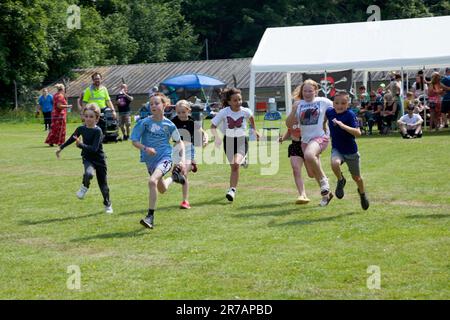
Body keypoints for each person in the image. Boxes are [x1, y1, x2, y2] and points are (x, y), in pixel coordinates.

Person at [130, 92, 186, 229]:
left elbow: (179, 143)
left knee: (152, 181)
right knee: (161, 189)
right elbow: (134, 141)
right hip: (150, 161)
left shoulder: (169, 125)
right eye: (151, 104)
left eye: (156, 103)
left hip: (165, 158)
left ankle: (150, 216)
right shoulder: (144, 123)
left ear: (164, 105)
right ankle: (174, 178)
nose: (153, 106)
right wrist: (145, 148)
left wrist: (182, 160)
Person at [55, 103, 113, 213]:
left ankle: (107, 203)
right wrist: (60, 148)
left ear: (97, 118)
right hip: (87, 158)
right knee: (89, 174)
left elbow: (94, 149)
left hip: (99, 159)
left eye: (91, 116)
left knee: (103, 185)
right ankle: (84, 186)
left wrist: (80, 145)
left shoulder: (98, 131)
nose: (88, 119)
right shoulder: (81, 128)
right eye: (86, 116)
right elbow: (72, 138)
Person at [286, 79, 333, 207]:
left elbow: (338, 111)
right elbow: (289, 125)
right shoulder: (299, 104)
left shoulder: (324, 102)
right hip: (305, 141)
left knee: (308, 155)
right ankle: (326, 195)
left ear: (315, 91)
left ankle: (324, 182)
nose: (307, 93)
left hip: (320, 137)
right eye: (305, 91)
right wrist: (293, 110)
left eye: (310, 91)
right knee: (312, 174)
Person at [210, 87, 260, 202]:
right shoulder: (224, 112)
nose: (238, 102)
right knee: (233, 166)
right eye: (235, 100)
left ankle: (232, 190)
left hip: (242, 140)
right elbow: (212, 126)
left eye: (240, 99)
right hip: (228, 141)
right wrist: (217, 137)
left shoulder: (245, 111)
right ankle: (243, 160)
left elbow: (251, 118)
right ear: (229, 102)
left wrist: (254, 130)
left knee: (236, 163)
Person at [326, 91, 369, 210]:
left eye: (343, 103)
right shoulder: (329, 112)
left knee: (357, 178)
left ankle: (362, 194)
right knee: (334, 163)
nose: (340, 105)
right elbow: (323, 120)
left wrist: (342, 125)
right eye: (337, 103)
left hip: (351, 151)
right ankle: (341, 180)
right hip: (337, 149)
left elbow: (358, 133)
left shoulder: (350, 115)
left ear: (348, 104)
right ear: (333, 103)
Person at [171, 100, 209, 209]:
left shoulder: (192, 122)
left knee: (183, 173)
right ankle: (192, 165)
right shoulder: (173, 122)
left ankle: (185, 201)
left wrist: (205, 140)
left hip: (188, 149)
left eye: (183, 112)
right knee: (175, 173)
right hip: (177, 149)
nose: (181, 115)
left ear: (189, 111)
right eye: (178, 112)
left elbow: (204, 132)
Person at [279, 120, 312, 204]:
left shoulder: (307, 114)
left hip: (308, 145)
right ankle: (302, 195)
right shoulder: (292, 117)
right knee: (296, 169)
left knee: (311, 174)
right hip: (295, 145)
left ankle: (323, 182)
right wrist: (282, 138)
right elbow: (289, 130)